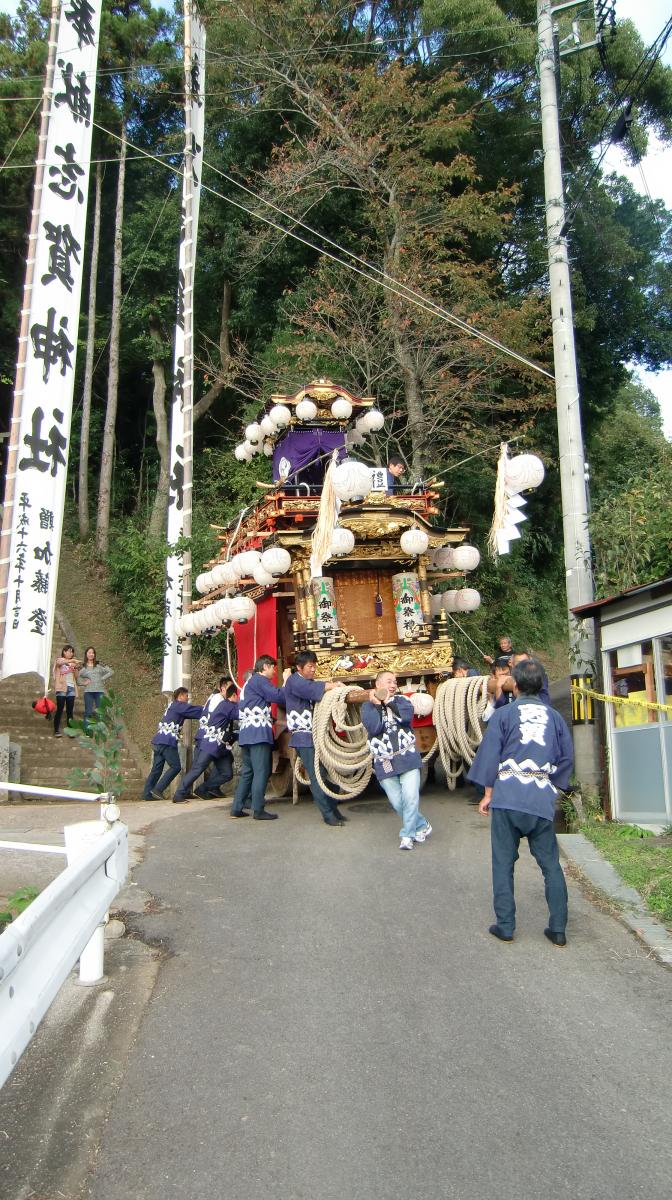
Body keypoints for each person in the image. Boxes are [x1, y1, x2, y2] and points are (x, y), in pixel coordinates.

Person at [468, 657, 574, 946]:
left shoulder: (504, 715)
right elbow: (566, 758)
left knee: (503, 863)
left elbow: (490, 757)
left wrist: (488, 794)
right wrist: (552, 787)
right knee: (550, 864)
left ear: (514, 684)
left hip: (507, 798)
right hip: (540, 799)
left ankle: (505, 925)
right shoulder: (554, 717)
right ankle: (558, 929)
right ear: (541, 684)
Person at [361, 670, 431, 851]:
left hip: (407, 757)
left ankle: (407, 835)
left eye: (395, 682)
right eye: (388, 681)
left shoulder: (402, 701)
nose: (392, 685)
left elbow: (406, 718)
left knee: (410, 798)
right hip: (384, 760)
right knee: (397, 802)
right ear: (377, 685)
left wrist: (388, 702)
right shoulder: (366, 707)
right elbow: (374, 728)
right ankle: (422, 825)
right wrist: (377, 705)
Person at [284, 651, 345, 826]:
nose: (313, 669)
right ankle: (328, 814)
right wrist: (332, 686)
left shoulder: (307, 681)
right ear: (299, 668)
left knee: (328, 773)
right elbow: (311, 690)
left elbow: (315, 686)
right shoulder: (295, 681)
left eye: (314, 666)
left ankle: (333, 809)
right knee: (317, 776)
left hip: (316, 735)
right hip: (303, 736)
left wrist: (333, 686)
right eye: (310, 666)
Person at [230, 656, 286, 821]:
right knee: (261, 771)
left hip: (247, 733)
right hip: (258, 733)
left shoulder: (248, 684)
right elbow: (277, 696)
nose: (275, 672)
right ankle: (258, 809)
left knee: (248, 773)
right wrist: (288, 682)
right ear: (265, 667)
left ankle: (237, 808)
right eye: (273, 669)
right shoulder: (260, 680)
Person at [173, 679, 239, 802]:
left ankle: (204, 788)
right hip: (210, 742)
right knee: (198, 768)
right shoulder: (221, 701)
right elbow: (237, 714)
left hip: (220, 745)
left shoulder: (221, 701)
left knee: (227, 772)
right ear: (223, 689)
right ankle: (179, 794)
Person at [142, 687, 203, 801]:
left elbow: (191, 713)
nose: (187, 698)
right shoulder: (179, 705)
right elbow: (195, 710)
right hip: (167, 741)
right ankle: (158, 789)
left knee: (156, 769)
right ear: (180, 696)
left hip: (159, 740)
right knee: (176, 766)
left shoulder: (172, 706)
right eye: (186, 696)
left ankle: (147, 793)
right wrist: (210, 710)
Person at [77, 646, 114, 726]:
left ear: (94, 654)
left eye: (93, 653)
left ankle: (100, 732)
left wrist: (102, 678)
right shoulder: (82, 666)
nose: (91, 654)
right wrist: (84, 683)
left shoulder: (99, 664)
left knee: (100, 712)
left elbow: (111, 671)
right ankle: (87, 732)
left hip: (99, 692)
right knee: (88, 712)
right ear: (86, 654)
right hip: (88, 692)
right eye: (89, 652)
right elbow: (78, 680)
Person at [52, 644, 82, 737]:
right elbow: (60, 663)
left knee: (70, 711)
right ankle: (56, 730)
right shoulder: (59, 659)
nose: (71, 653)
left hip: (71, 688)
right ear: (64, 652)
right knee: (60, 709)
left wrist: (76, 668)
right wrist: (72, 661)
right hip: (61, 688)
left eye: (72, 651)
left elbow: (76, 677)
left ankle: (71, 731)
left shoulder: (72, 663)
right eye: (69, 651)